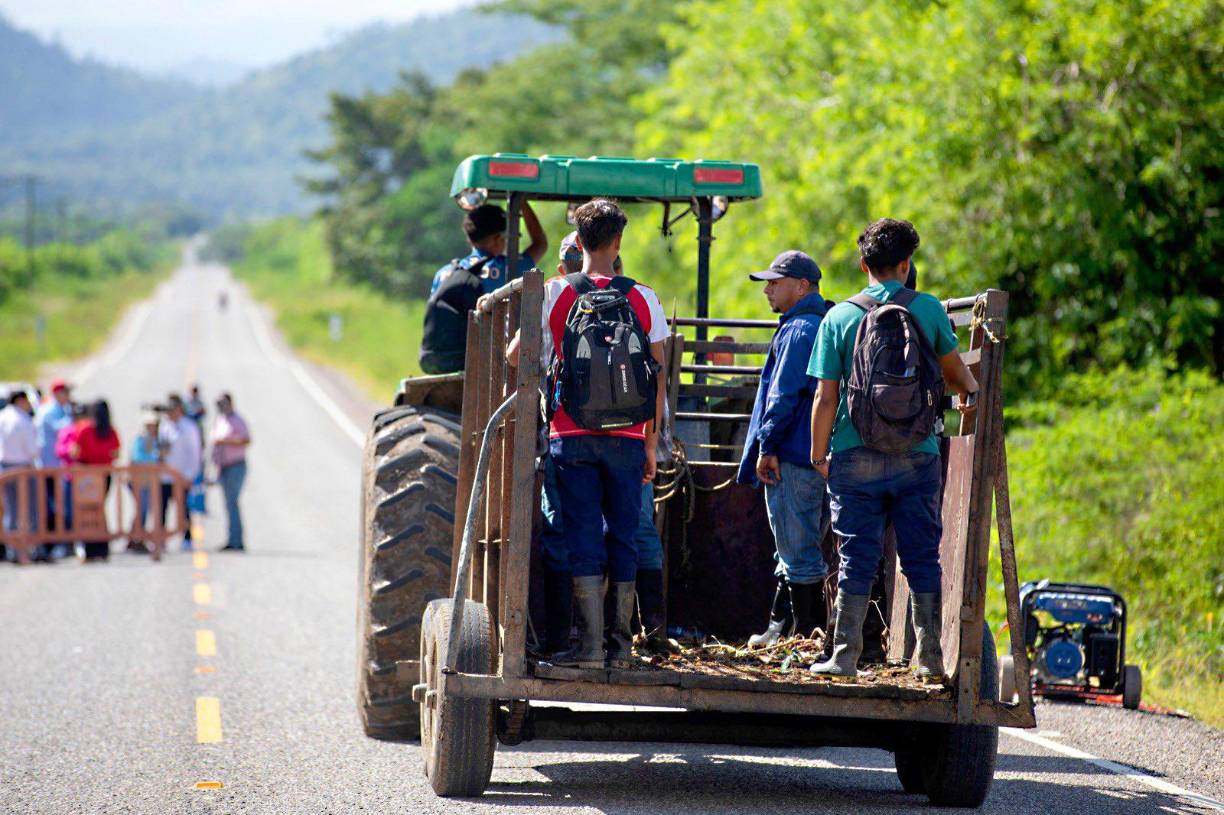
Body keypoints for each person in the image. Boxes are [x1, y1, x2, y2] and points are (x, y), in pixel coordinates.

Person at [808, 219, 978, 679]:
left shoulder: (839, 317)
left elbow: (825, 397)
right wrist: (970, 389)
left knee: (856, 558)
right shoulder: (928, 310)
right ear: (906, 264)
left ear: (863, 265)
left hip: (853, 452)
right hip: (917, 454)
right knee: (921, 555)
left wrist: (819, 454)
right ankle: (930, 658)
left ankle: (845, 656)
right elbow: (955, 375)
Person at [509, 200, 668, 670]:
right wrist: (651, 442)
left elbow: (516, 355)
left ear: (577, 243)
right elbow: (658, 375)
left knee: (581, 535)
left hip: (570, 433)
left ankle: (590, 648)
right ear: (618, 242)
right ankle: (622, 648)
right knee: (624, 534)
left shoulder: (555, 292)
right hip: (629, 436)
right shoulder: (644, 297)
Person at [735, 250, 831, 647]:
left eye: (775, 283)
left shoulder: (798, 330)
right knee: (795, 545)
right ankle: (781, 629)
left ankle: (807, 637)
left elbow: (783, 395)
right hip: (814, 455)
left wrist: (767, 445)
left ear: (802, 286)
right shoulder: (822, 324)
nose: (767, 290)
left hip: (792, 455)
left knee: (798, 550)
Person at [421, 202, 549, 374]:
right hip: (479, 362)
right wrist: (522, 203)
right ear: (497, 238)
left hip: (436, 360)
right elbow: (540, 244)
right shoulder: (505, 267)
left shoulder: (445, 272)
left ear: (470, 238)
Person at [60, 400, 121, 561]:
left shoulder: (85, 429)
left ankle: (90, 548)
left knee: (87, 512)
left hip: (87, 475)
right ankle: (102, 548)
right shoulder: (110, 431)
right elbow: (116, 453)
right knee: (100, 510)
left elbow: (75, 452)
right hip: (104, 474)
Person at [35, 379, 74, 558]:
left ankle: (59, 543)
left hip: (58, 467)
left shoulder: (61, 410)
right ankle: (50, 544)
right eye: (65, 392)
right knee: (51, 506)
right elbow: (63, 429)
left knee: (59, 505)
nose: (68, 396)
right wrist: (73, 416)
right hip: (49, 466)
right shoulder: (50, 411)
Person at [1, 389, 40, 562]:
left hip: (5, 467)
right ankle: (31, 548)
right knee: (30, 509)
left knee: (10, 509)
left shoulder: (2, 417)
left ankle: (12, 549)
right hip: (23, 467)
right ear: (20, 400)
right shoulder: (23, 420)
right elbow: (32, 449)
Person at [159, 394, 202, 549]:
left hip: (182, 475)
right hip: (166, 475)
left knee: (184, 507)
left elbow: (195, 453)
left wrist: (190, 475)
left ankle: (187, 538)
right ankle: (161, 537)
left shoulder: (189, 427)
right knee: (162, 507)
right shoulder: (165, 426)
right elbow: (162, 449)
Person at [210, 392, 250, 552]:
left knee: (232, 502)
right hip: (223, 466)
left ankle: (237, 540)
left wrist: (227, 441)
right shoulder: (220, 420)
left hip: (235, 465)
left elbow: (246, 439)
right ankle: (232, 538)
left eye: (223, 403)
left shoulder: (237, 420)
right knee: (228, 504)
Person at [127, 411, 162, 552]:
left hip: (148, 480)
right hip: (140, 479)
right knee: (141, 509)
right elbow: (138, 457)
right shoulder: (142, 439)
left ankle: (137, 538)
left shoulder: (154, 439)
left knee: (144, 509)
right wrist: (155, 457)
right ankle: (135, 538)